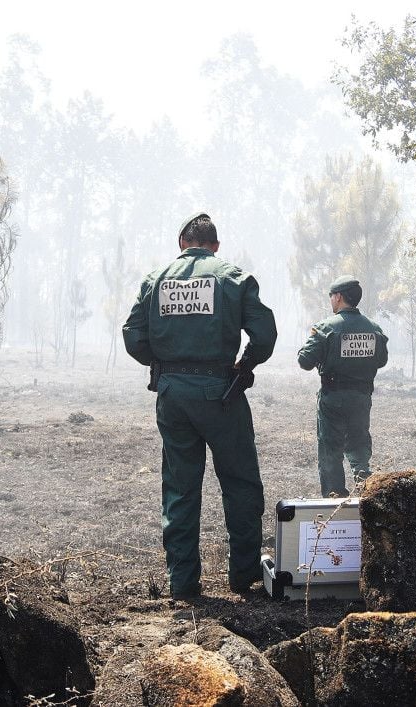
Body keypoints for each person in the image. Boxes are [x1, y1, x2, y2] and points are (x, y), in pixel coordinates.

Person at [123, 213, 277, 598]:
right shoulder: (233, 277)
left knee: (179, 488)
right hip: (221, 394)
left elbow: (133, 337)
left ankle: (183, 583)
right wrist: (246, 365)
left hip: (172, 395)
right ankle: (243, 575)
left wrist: (164, 365)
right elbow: (265, 334)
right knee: (240, 483)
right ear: (215, 246)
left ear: (181, 244)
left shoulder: (155, 280)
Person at [298, 276, 389, 497]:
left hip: (333, 399)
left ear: (338, 297)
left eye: (331, 296)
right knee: (359, 446)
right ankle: (367, 495)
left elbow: (304, 361)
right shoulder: (374, 329)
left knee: (331, 450)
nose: (331, 300)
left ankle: (334, 497)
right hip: (361, 397)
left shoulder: (325, 328)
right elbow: (382, 360)